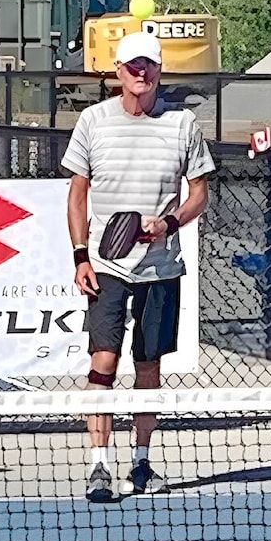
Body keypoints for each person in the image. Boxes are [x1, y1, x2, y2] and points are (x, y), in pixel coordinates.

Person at [60, 32, 216, 502]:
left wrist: (168, 223)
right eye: (132, 66)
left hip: (161, 268)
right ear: (118, 70)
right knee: (102, 363)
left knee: (148, 369)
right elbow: (77, 194)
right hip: (107, 266)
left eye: (147, 65)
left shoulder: (183, 124)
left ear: (159, 70)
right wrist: (80, 254)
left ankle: (141, 463)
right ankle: (99, 467)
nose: (140, 73)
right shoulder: (93, 121)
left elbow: (199, 194)